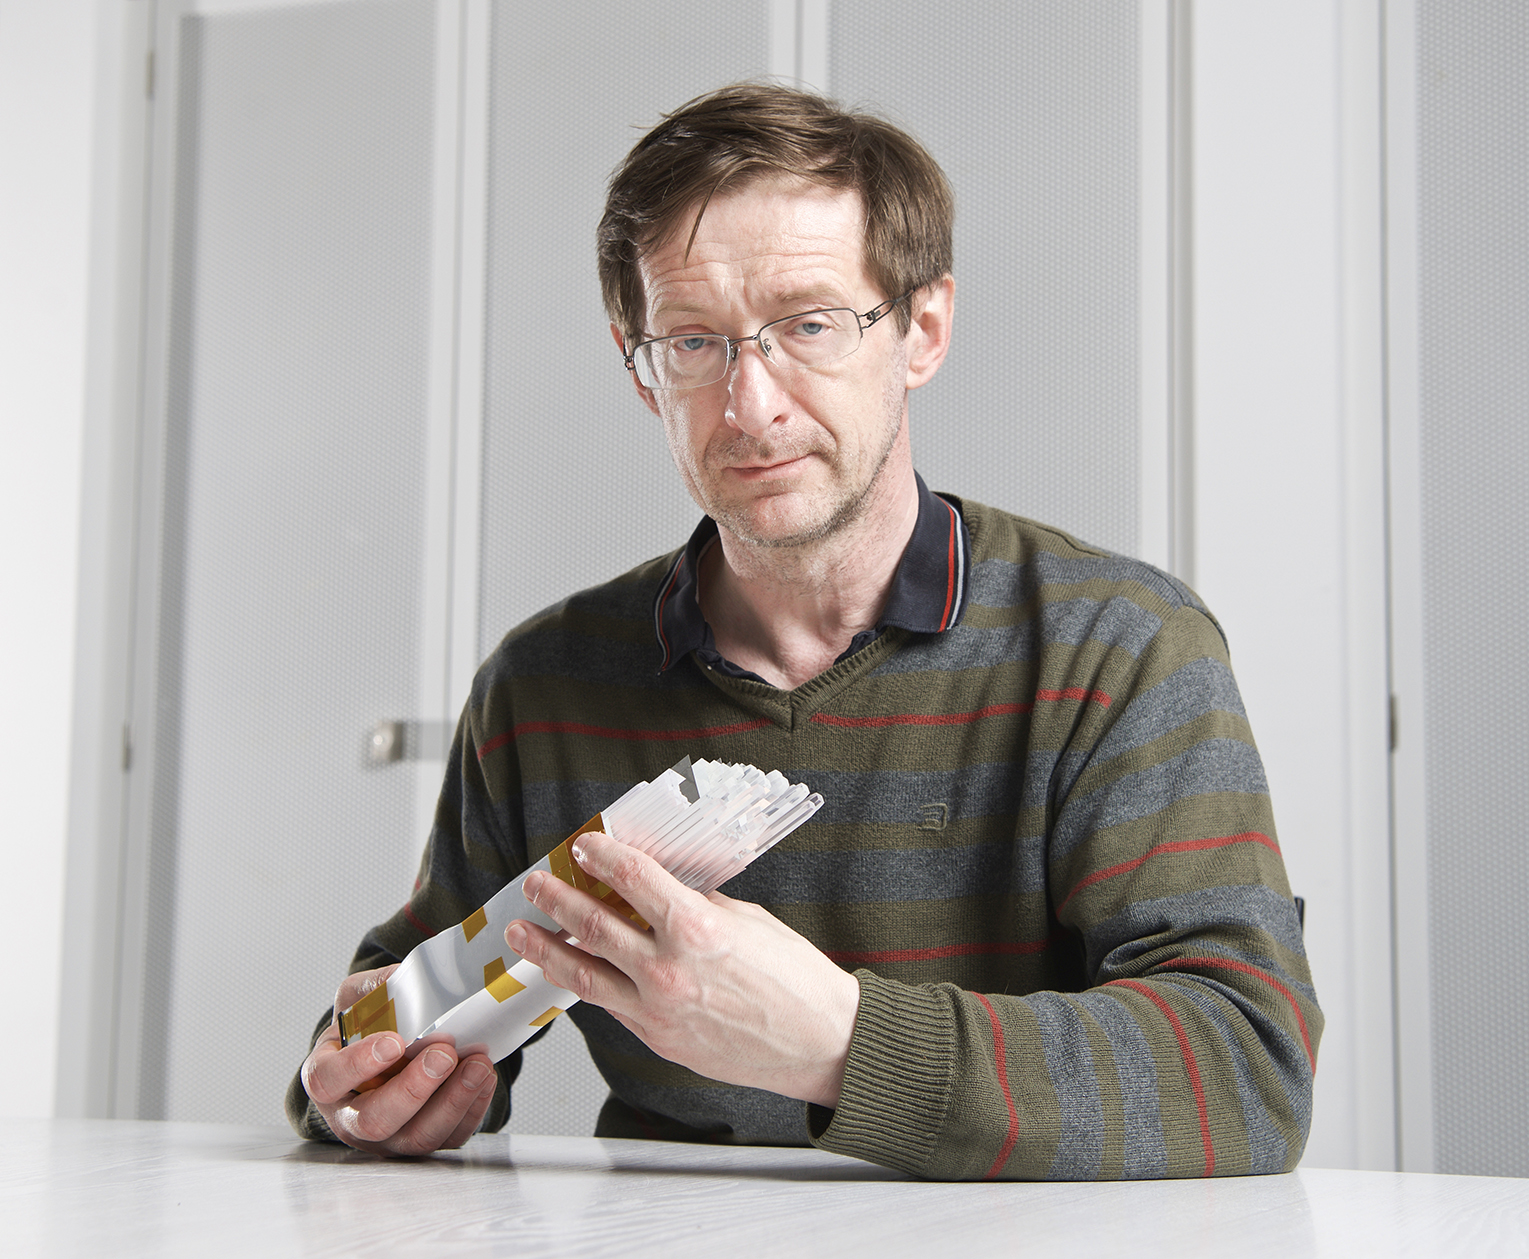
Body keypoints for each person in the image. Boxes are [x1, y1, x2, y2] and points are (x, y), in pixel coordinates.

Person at [288, 83, 1320, 1181]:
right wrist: (362, 1085)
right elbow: (401, 1004)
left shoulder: (1117, 650)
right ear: (639, 369)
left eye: (810, 324)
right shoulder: (542, 685)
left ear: (921, 329)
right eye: (692, 341)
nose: (750, 403)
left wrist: (835, 1038)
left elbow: (1246, 1068)